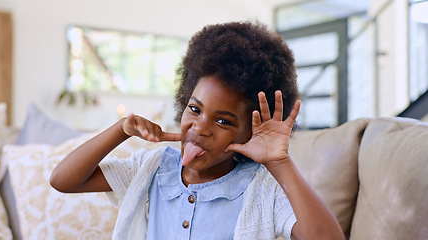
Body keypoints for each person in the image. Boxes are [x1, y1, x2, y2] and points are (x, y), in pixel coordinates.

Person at [50, 21, 345, 240]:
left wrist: (279, 163)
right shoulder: (152, 170)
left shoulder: (261, 190)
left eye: (223, 121)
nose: (200, 127)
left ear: (249, 134)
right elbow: (64, 180)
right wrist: (120, 130)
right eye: (195, 109)